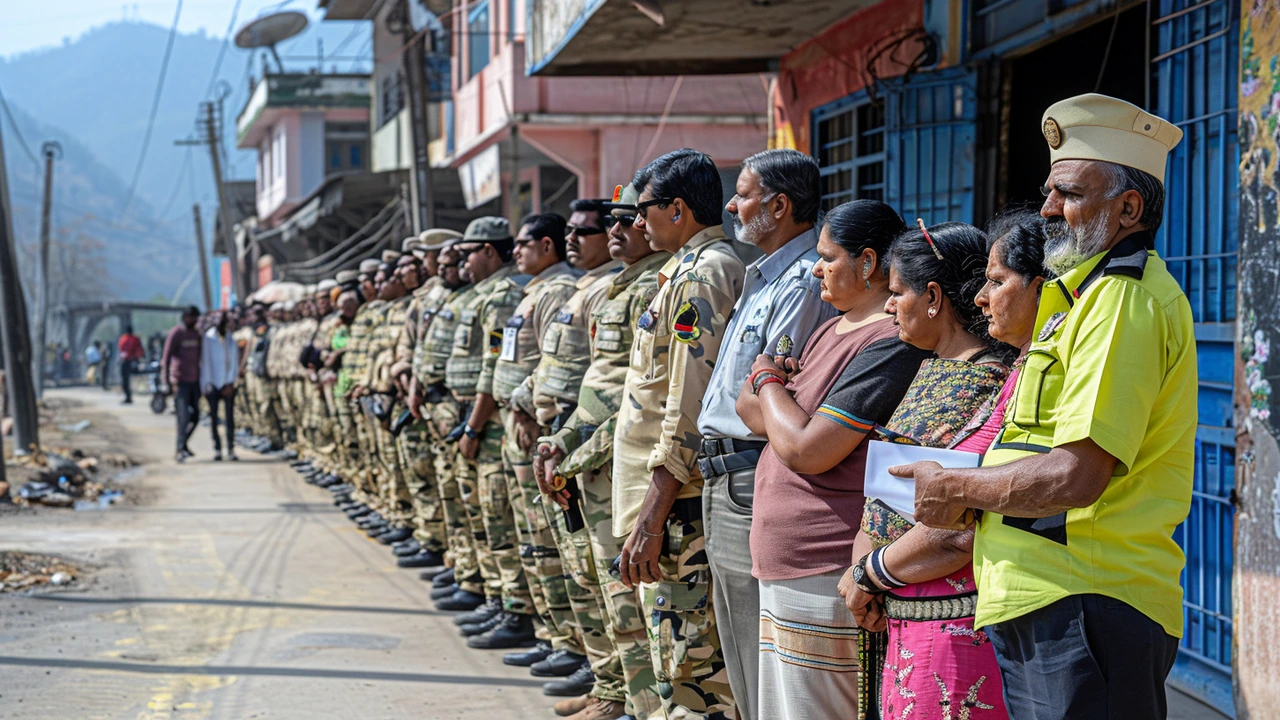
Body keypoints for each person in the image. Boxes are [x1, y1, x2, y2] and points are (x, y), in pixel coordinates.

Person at [899, 94, 1195, 720]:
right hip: (1053, 600)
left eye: (1069, 194)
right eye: (1049, 191)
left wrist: (957, 486)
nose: (1048, 210)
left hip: (1088, 602)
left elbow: (1076, 475)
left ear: (1129, 209)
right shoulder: (1081, 300)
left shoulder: (1121, 302)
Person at [734, 200, 931, 719]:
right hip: (787, 561)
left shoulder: (888, 341)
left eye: (827, 256)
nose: (816, 268)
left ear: (868, 263)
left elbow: (807, 448)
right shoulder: (830, 329)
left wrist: (766, 378)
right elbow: (748, 412)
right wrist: (775, 404)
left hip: (824, 563)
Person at [840, 221, 1013, 720]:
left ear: (933, 296)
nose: (889, 305)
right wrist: (864, 577)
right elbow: (881, 501)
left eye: (896, 292)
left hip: (950, 629)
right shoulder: (930, 367)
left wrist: (868, 575)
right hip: (898, 616)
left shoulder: (990, 385)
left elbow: (958, 526)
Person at [694, 149, 838, 720]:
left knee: (759, 649)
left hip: (752, 472)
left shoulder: (802, 282)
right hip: (726, 474)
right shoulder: (763, 275)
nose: (732, 205)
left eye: (744, 194)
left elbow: (768, 392)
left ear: (779, 206)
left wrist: (759, 395)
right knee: (737, 639)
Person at [612, 148, 745, 719]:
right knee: (671, 663)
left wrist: (652, 515)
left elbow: (686, 406)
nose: (635, 224)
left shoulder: (705, 273)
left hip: (678, 506)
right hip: (666, 501)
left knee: (693, 673)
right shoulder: (683, 272)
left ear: (679, 209)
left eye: (643, 211)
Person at [162, 306, 203, 463]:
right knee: (182, 417)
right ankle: (179, 450)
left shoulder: (196, 334)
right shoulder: (177, 333)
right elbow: (166, 358)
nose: (192, 320)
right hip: (180, 381)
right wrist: (167, 381)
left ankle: (184, 444)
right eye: (190, 317)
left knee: (196, 416)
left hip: (195, 380)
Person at [200, 310, 241, 462]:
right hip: (212, 383)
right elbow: (205, 362)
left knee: (230, 418)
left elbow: (234, 362)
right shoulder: (208, 338)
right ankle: (217, 448)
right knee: (214, 418)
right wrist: (207, 383)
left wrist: (230, 382)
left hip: (228, 383)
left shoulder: (231, 338)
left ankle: (230, 448)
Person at [118, 326, 145, 404]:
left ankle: (128, 396)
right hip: (132, 361)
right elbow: (139, 349)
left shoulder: (123, 339)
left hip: (126, 361)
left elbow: (121, 350)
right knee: (127, 380)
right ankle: (128, 396)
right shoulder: (135, 339)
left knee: (125, 380)